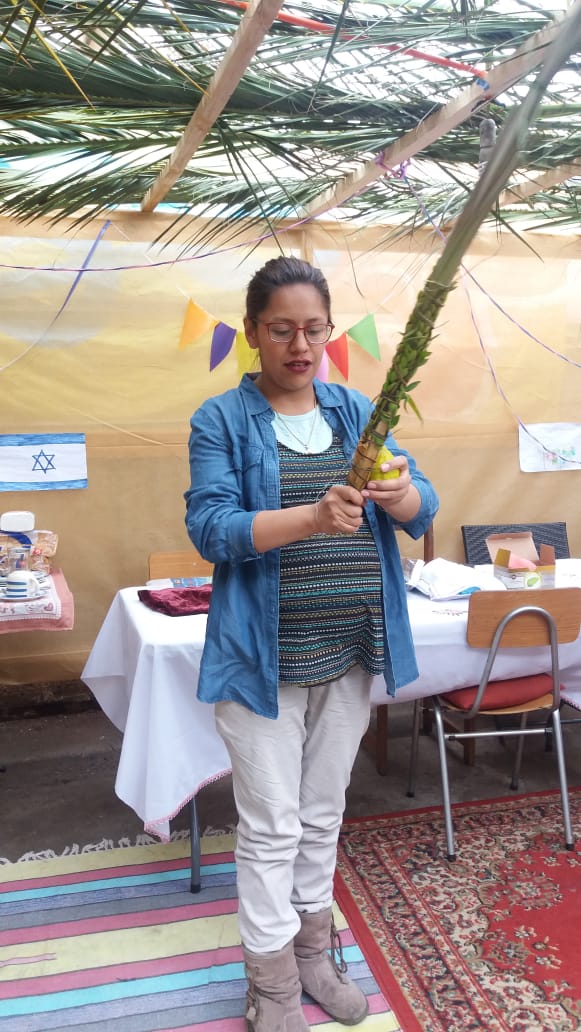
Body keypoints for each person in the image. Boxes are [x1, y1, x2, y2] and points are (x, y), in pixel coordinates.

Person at [184, 255, 439, 1031]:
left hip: (352, 647)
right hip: (261, 659)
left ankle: (312, 960)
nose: (300, 345)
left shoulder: (357, 409)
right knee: (271, 826)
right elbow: (211, 528)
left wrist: (403, 494)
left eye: (313, 329)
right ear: (252, 331)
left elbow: (423, 507)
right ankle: (271, 991)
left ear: (329, 330)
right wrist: (310, 518)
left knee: (323, 815)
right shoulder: (222, 420)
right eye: (281, 330)